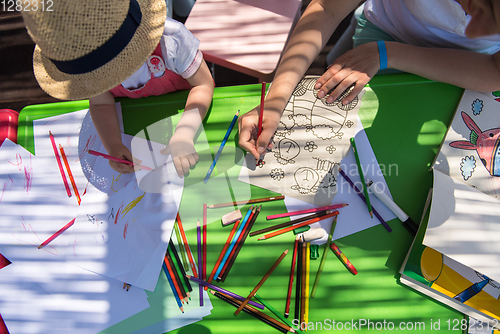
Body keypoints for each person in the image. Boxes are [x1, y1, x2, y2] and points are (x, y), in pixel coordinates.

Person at [238, 0, 500, 162]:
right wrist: (275, 99)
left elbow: (495, 70)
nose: (472, 31)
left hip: (468, 66)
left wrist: (390, 53)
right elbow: (327, 8)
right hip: (386, 28)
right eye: (476, 9)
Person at [21, 0, 214, 177]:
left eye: (111, 72)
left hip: (184, 106)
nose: (103, 79)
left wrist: (185, 132)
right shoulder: (82, 59)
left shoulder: (170, 41)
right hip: (134, 120)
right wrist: (113, 144)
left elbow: (203, 84)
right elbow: (100, 104)